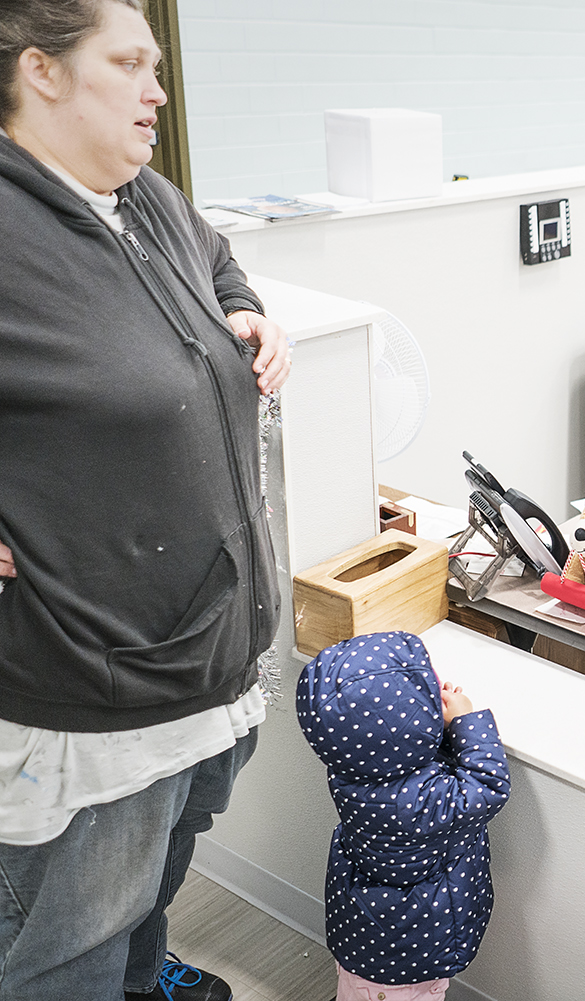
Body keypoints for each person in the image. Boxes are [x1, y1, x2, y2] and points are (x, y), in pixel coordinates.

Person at [0, 1, 290, 999]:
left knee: (146, 891)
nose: (157, 90)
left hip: (204, 657)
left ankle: (138, 976)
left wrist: (244, 307)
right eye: (129, 63)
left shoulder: (144, 195)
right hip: (90, 695)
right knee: (63, 945)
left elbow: (213, 260)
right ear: (40, 72)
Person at [296, 632, 511, 1001]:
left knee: (354, 992)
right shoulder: (420, 801)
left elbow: (397, 754)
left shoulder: (350, 769)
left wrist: (432, 727)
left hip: (367, 937)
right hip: (409, 959)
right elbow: (489, 786)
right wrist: (465, 721)